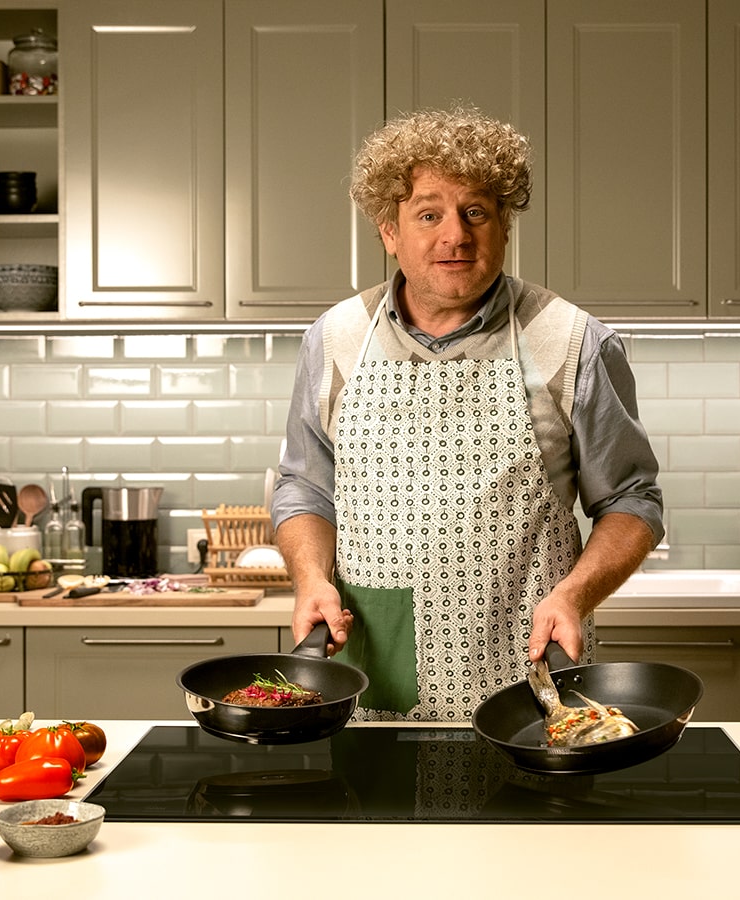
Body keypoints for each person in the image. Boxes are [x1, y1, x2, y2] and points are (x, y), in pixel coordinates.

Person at [271, 105, 663, 721]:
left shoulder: (570, 340)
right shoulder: (335, 338)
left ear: (505, 223)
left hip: (532, 680)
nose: (455, 235)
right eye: (429, 215)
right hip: (376, 684)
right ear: (388, 230)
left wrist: (576, 593)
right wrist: (311, 579)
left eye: (475, 212)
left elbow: (632, 500)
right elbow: (306, 489)